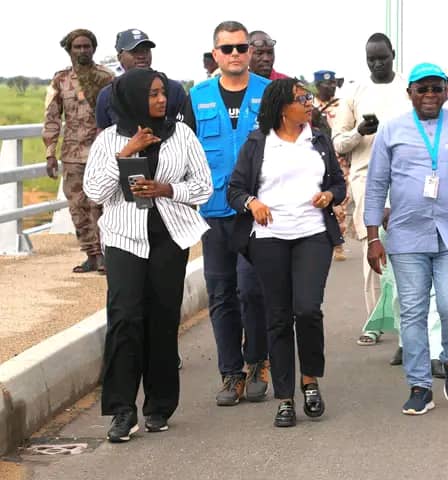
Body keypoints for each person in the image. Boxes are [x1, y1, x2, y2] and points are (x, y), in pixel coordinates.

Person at [84, 68, 212, 442]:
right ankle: (122, 410)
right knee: (124, 318)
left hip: (169, 237)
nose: (162, 100)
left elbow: (203, 186)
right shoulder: (109, 139)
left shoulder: (182, 134)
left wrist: (167, 189)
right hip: (125, 237)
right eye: (153, 94)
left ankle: (159, 405)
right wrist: (128, 151)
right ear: (134, 98)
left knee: (161, 318)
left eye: (163, 93)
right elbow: (94, 191)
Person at [365, 63, 448, 415]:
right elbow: (376, 184)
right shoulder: (392, 130)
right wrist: (371, 237)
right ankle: (420, 385)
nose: (429, 96)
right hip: (407, 235)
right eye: (421, 89)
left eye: (436, 89)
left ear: (447, 90)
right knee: (412, 312)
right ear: (409, 92)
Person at [227, 78, 346, 427]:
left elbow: (337, 183)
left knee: (307, 310)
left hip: (312, 235)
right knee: (278, 317)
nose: (308, 103)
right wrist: (253, 202)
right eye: (301, 98)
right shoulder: (258, 143)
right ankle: (284, 398)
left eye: (308, 97)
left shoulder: (318, 139)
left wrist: (329, 196)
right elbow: (234, 190)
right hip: (269, 238)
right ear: (282, 107)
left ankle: (310, 380)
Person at [182, 21, 271, 406]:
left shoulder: (270, 95)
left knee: (253, 290)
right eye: (227, 48)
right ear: (215, 55)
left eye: (241, 47)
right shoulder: (196, 96)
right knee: (221, 293)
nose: (235, 54)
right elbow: (184, 152)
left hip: (257, 210)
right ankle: (230, 373)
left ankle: (257, 363)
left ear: (250, 52)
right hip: (214, 210)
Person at [332, 32, 411, 349]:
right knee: (372, 247)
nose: (378, 63)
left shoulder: (408, 88)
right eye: (372, 59)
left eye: (383, 57)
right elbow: (338, 142)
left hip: (407, 178)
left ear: (393, 54)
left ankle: (408, 320)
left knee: (408, 249)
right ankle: (374, 321)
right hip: (366, 178)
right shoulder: (354, 92)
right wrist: (358, 132)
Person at [43, 29, 114, 274]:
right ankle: (91, 254)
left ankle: (106, 254)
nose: (83, 50)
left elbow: (116, 114)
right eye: (77, 47)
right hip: (72, 154)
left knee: (100, 204)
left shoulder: (106, 78)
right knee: (77, 205)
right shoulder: (60, 80)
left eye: (87, 46)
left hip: (100, 152)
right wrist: (50, 153)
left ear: (94, 48)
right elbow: (52, 117)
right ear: (69, 50)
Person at [96, 29, 187, 130]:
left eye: (146, 50)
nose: (141, 56)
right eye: (134, 51)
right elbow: (103, 134)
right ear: (119, 57)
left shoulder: (173, 89)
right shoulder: (108, 95)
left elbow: (185, 130)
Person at [312, 70, 350, 262]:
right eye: (327, 84)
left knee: (338, 201)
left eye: (334, 83)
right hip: (317, 158)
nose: (331, 87)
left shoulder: (343, 105)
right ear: (317, 86)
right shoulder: (308, 105)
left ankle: (338, 242)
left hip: (340, 159)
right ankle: (332, 240)